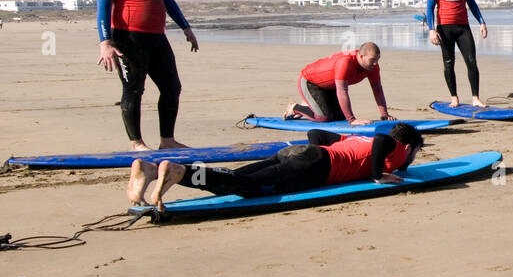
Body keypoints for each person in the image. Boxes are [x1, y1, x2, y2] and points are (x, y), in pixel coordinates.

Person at [129, 124, 424, 210]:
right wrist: (378, 176)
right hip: (315, 165)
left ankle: (151, 170)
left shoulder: (356, 137)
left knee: (235, 178)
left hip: (301, 151)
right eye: (414, 155)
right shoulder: (396, 150)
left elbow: (316, 135)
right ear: (409, 147)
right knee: (247, 188)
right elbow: (382, 140)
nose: (408, 163)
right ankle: (178, 172)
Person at [95, 0, 198, 151]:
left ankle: (167, 141)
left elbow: (167, 0)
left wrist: (186, 28)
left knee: (172, 87)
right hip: (127, 39)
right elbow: (102, 9)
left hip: (156, 37)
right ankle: (137, 143)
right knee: (134, 89)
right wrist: (105, 43)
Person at [426, 0, 487, 108]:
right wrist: (432, 30)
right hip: (445, 29)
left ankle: (475, 98)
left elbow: (472, 4)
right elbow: (430, 9)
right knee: (448, 63)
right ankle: (454, 98)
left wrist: (482, 22)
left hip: (462, 28)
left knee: (472, 61)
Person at [286, 43, 392, 124]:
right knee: (323, 118)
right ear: (361, 56)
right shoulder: (345, 63)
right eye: (372, 59)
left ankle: (311, 104)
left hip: (331, 86)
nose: (375, 63)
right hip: (310, 82)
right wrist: (352, 120)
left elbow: (377, 90)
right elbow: (342, 92)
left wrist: (384, 115)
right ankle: (295, 108)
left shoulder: (373, 67)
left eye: (377, 59)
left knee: (339, 117)